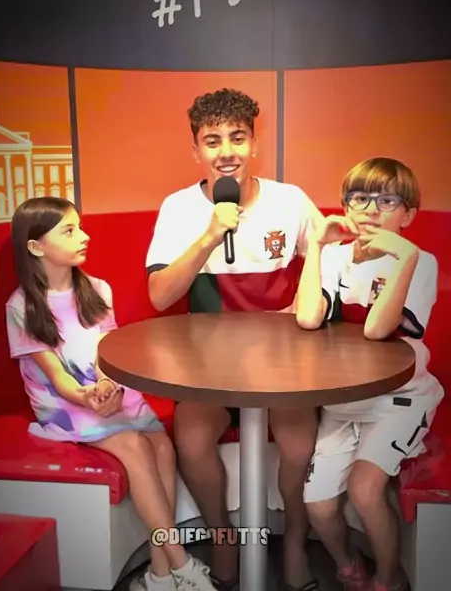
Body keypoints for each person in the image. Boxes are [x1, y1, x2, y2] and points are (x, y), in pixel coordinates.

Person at [145, 88, 324, 591]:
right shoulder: (178, 208)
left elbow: (327, 259)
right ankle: (223, 539)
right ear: (196, 150)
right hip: (207, 364)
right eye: (213, 140)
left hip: (284, 361)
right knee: (192, 439)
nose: (227, 151)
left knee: (298, 445)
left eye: (238, 138)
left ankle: (295, 542)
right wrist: (208, 235)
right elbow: (159, 295)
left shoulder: (290, 200)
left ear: (254, 144)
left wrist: (302, 303)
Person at [5, 196, 220, 591]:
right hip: (65, 405)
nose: (84, 236)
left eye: (80, 227)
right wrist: (88, 397)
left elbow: (107, 353)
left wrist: (108, 385)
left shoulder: (97, 290)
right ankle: (181, 562)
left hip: (111, 391)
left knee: (163, 446)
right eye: (69, 231)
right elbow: (56, 376)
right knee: (135, 446)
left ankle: (158, 574)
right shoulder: (21, 307)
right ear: (36, 247)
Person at [295, 157, 445, 591]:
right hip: (342, 402)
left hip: (401, 399)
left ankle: (387, 580)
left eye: (387, 201)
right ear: (346, 206)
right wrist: (317, 247)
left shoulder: (421, 262)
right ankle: (350, 569)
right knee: (318, 505)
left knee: (364, 490)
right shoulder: (335, 256)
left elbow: (378, 329)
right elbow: (307, 318)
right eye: (359, 199)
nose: (371, 210)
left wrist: (405, 256)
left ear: (407, 215)